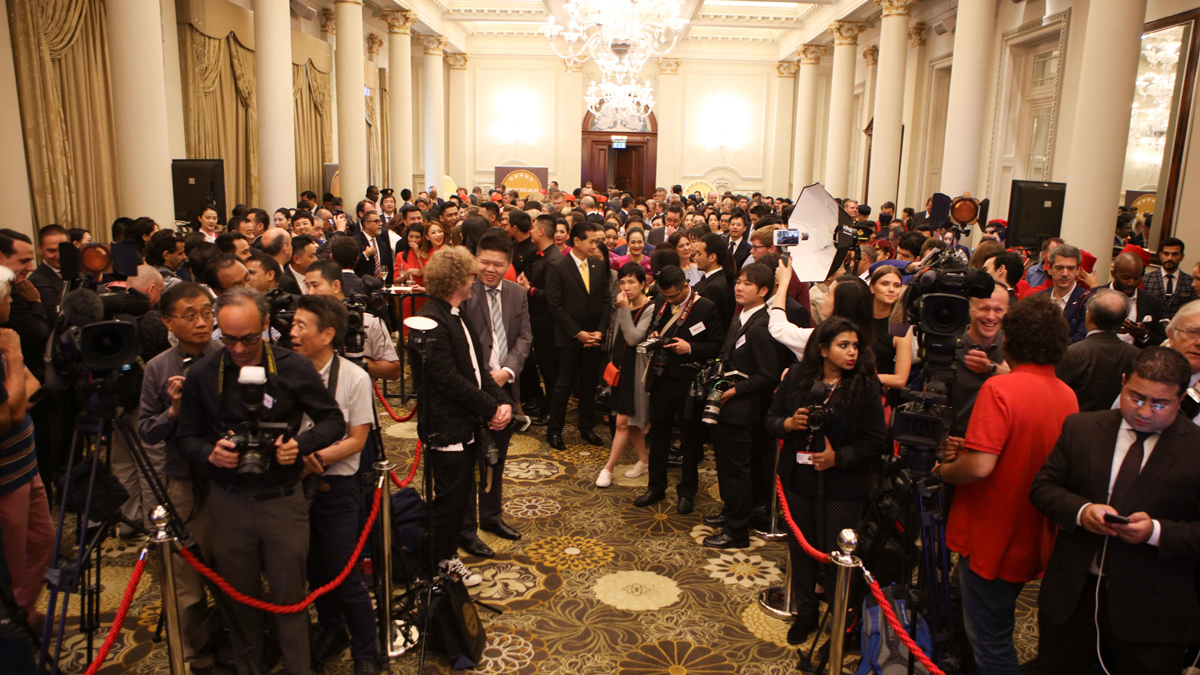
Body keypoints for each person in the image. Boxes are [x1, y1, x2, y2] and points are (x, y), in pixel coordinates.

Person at [176, 287, 346, 675]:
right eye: (229, 338)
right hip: (227, 501)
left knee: (290, 600)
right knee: (240, 603)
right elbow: (185, 438)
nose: (238, 349)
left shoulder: (293, 368)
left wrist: (299, 446)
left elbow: (333, 421)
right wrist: (209, 453)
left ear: (267, 326)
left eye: (249, 339)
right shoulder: (203, 373)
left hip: (282, 501)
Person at [1031, 347, 1200, 675]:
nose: (1144, 412)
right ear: (1123, 383)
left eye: (1160, 403)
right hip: (1071, 597)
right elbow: (1043, 488)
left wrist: (1155, 532)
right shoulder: (1082, 427)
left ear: (1181, 400)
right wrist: (1082, 511)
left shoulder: (1195, 449)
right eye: (1135, 397)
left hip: (1151, 610)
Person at [938, 294, 1078, 675]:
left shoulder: (1000, 389)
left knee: (991, 641)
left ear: (1011, 339)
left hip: (992, 533)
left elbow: (981, 467)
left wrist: (943, 470)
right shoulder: (1067, 395)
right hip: (1033, 532)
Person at [765, 317, 887, 644]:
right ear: (822, 349)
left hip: (842, 486)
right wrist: (790, 423)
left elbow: (877, 442)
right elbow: (771, 421)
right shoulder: (797, 379)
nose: (851, 353)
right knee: (801, 551)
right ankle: (806, 613)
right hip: (798, 479)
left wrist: (839, 457)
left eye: (855, 346)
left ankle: (839, 622)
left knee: (836, 557)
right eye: (842, 345)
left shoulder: (865, 385)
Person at [287, 295, 379, 674]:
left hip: (337, 488)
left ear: (327, 334)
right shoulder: (285, 371)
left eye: (300, 326)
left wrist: (317, 459)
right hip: (291, 487)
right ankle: (330, 628)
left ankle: (367, 652)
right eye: (291, 324)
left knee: (346, 574)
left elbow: (357, 439)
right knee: (314, 570)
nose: (291, 332)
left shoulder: (354, 377)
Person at [410, 246, 511, 588]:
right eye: (470, 275)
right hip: (446, 427)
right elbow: (448, 380)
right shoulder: (429, 320)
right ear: (457, 280)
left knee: (457, 498)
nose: (475, 280)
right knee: (448, 503)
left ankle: (446, 558)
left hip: (464, 424)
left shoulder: (455, 312)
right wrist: (490, 407)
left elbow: (475, 369)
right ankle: (435, 566)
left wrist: (499, 399)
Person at [138, 282, 223, 673]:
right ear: (168, 321)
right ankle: (195, 651)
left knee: (232, 567)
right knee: (186, 576)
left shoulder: (228, 355)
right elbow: (146, 431)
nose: (203, 322)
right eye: (190, 315)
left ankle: (237, 640)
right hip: (182, 482)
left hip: (227, 477)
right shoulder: (158, 367)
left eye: (208, 312)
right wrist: (173, 411)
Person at [456, 231, 531, 558]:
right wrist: (484, 379)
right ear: (475, 260)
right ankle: (466, 529)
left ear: (508, 264)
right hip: (470, 388)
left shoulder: (517, 293)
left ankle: (491, 517)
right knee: (467, 462)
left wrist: (507, 372)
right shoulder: (464, 292)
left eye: (498, 264)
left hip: (505, 388)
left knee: (495, 458)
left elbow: (525, 338)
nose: (490, 269)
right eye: (484, 262)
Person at [702, 263, 781, 548]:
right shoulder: (742, 315)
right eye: (738, 282)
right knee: (726, 466)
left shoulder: (761, 325)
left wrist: (734, 390)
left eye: (747, 284)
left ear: (763, 291)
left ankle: (737, 531)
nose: (739, 287)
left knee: (737, 471)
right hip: (727, 404)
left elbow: (768, 374)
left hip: (741, 408)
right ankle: (731, 512)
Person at [0, 265, 53, 625]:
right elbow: (10, 414)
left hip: (26, 465)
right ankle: (15, 626)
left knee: (43, 540)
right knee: (11, 559)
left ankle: (26, 612)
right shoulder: (8, 343)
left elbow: (33, 387)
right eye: (7, 297)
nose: (10, 301)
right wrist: (15, 356)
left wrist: (15, 392)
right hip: (4, 479)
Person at [545, 222, 611, 450]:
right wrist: (578, 333)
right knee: (564, 385)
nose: (595, 245)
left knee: (590, 384)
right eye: (591, 241)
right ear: (577, 241)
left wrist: (600, 331)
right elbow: (555, 305)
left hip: (594, 337)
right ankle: (554, 431)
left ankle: (586, 428)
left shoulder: (598, 266)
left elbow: (605, 301)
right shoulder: (558, 267)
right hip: (569, 338)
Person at [596, 263, 655, 488]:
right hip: (621, 368)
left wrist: (622, 309)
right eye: (622, 282)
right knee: (630, 423)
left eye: (631, 282)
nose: (626, 287)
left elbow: (633, 338)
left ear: (643, 284)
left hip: (637, 371)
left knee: (622, 422)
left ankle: (607, 468)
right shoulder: (624, 304)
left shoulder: (650, 308)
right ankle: (644, 460)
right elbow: (617, 338)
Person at [304, 260, 401, 381]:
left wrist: (355, 358)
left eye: (315, 285)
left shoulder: (368, 322)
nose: (310, 293)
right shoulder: (305, 325)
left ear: (336, 286)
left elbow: (394, 371)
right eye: (307, 286)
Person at [1056, 289, 1142, 412]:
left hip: (1076, 423)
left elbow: (1056, 395)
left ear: (1089, 316)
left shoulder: (1073, 353)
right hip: (1115, 424)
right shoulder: (1136, 354)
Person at [515, 215, 564, 423]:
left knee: (550, 369)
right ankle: (548, 405)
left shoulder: (554, 258)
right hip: (537, 320)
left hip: (548, 323)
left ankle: (555, 412)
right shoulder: (541, 254)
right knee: (543, 366)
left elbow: (554, 296)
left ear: (542, 232)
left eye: (534, 228)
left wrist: (530, 289)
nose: (531, 230)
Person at [1098, 251, 1166, 347]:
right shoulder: (1094, 296)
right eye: (1126, 278)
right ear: (1113, 274)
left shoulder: (1153, 302)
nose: (1131, 283)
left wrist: (1143, 334)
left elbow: (1162, 341)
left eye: (1136, 278)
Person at [868, 266, 912, 403]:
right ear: (872, 287)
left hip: (878, 394)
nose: (891, 289)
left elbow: (900, 379)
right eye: (885, 284)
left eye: (896, 285)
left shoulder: (900, 327)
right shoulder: (858, 317)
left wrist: (866, 380)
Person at [1036, 243, 1089, 344]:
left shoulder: (1087, 301)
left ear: (1078, 270)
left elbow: (1082, 339)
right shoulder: (1038, 299)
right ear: (1050, 269)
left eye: (1071, 268)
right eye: (1059, 268)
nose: (1065, 274)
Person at [1142, 237, 1196, 320]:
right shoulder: (1146, 279)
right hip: (1151, 330)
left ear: (1182, 257)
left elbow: (1193, 312)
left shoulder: (1191, 282)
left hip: (1179, 329)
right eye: (1166, 254)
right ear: (1160, 255)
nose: (1170, 258)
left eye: (1175, 254)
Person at [29, 224, 68, 319]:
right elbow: (57, 318)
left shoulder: (78, 270)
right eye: (51, 251)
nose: (59, 256)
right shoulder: (38, 280)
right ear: (40, 249)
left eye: (63, 250)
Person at [692, 232, 732, 320]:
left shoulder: (714, 287)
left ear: (712, 257)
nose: (695, 258)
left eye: (699, 254)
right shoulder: (708, 278)